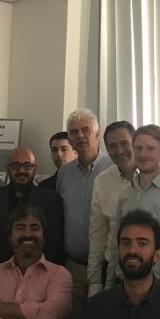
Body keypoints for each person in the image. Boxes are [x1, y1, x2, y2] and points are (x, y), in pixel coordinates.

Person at [87, 121, 160, 295]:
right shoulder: (102, 182)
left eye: (124, 144)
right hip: (118, 274)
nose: (119, 151)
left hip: (158, 279)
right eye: (112, 146)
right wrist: (96, 283)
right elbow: (98, 236)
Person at [107, 125, 160, 291]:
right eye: (138, 148)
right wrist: (109, 285)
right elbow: (116, 244)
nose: (143, 154)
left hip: (157, 286)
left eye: (150, 148)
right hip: (123, 284)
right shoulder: (126, 195)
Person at [0, 146, 65, 268]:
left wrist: (38, 271)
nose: (21, 170)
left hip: (39, 272)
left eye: (27, 166)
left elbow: (54, 244)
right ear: (7, 169)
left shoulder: (51, 200)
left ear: (34, 169)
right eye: (16, 165)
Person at [57, 109, 113, 306]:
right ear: (70, 139)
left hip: (107, 268)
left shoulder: (113, 169)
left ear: (97, 134)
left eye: (85, 130)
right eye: (74, 132)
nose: (80, 135)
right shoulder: (64, 173)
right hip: (73, 267)